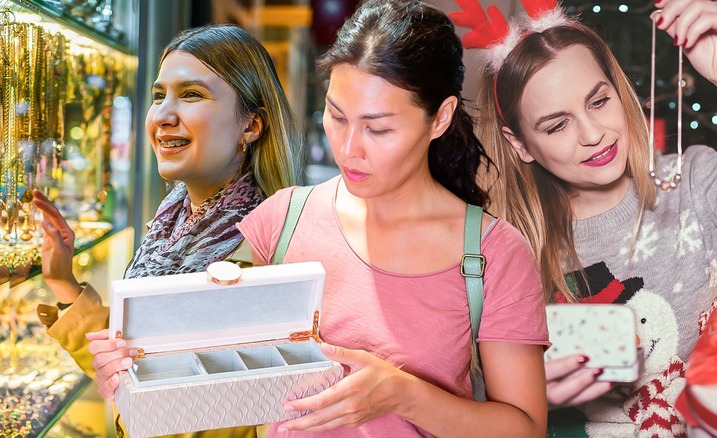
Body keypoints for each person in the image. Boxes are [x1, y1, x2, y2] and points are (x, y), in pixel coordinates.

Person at [88, 1, 550, 436]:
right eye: (336, 116)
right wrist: (129, 372)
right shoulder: (279, 220)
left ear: (440, 117)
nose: (349, 149)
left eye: (378, 128)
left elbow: (525, 428)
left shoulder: (492, 253)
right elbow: (209, 384)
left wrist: (405, 395)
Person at [467, 0, 717, 435]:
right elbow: (466, 397)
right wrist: (525, 399)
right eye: (557, 125)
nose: (593, 134)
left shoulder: (699, 181)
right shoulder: (498, 249)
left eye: (598, 101)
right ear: (518, 143)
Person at [33, 23, 307, 438]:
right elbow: (136, 365)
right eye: (159, 96)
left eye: (192, 94)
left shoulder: (266, 253)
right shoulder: (172, 222)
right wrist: (63, 282)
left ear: (251, 126)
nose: (162, 116)